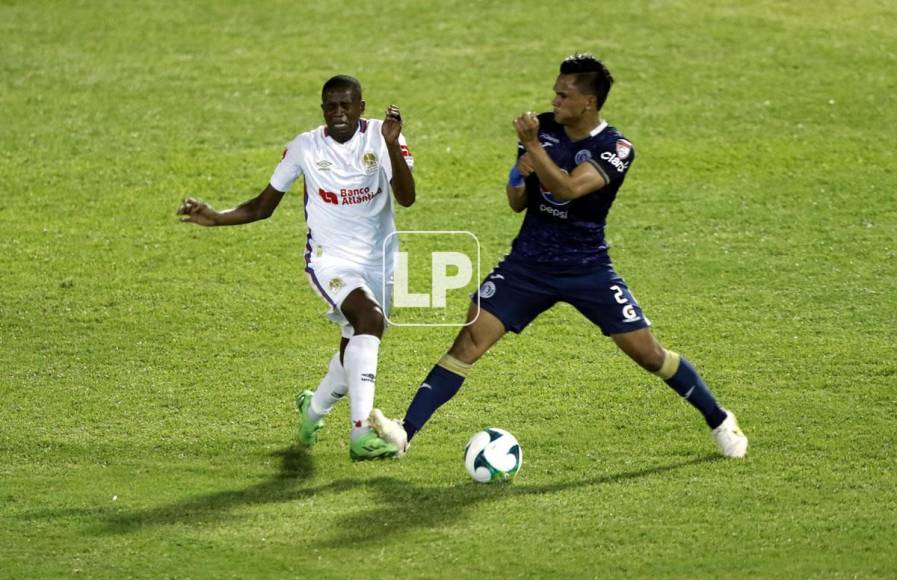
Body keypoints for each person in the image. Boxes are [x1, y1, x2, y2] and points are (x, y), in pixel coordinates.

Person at [370, 54, 748, 459]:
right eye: (555, 91)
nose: (555, 100)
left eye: (564, 95)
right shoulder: (544, 129)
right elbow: (518, 202)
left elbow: (568, 189)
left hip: (586, 268)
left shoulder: (615, 148)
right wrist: (518, 174)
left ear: (589, 102)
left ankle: (719, 419)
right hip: (527, 264)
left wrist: (533, 145)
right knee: (469, 340)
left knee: (648, 354)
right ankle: (405, 432)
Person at [177, 74, 415, 461]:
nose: (338, 112)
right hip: (329, 259)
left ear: (361, 107)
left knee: (353, 347)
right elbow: (262, 207)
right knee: (369, 321)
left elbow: (407, 198)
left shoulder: (383, 136)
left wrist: (390, 144)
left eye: (346, 105)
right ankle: (361, 434)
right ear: (323, 110)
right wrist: (216, 217)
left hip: (380, 260)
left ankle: (313, 410)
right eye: (330, 106)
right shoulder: (305, 148)